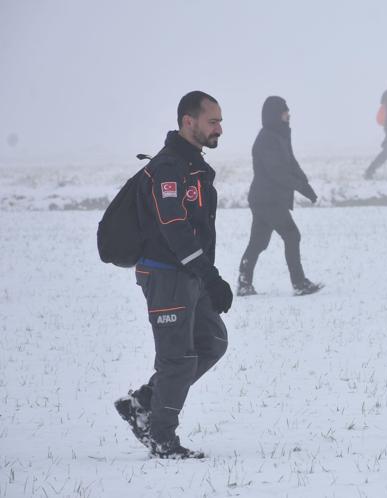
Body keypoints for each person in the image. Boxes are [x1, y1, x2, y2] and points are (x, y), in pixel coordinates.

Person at [114, 91, 233, 459]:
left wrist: (205, 276)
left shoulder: (193, 165)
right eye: (213, 121)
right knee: (177, 359)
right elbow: (174, 226)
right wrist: (210, 275)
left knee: (211, 342)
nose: (220, 128)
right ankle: (162, 438)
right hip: (166, 275)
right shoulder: (168, 168)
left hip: (190, 275)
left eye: (220, 121)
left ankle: (145, 401)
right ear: (188, 121)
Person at [237, 96, 323, 297]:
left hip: (267, 198)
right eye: (285, 111)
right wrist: (302, 188)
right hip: (267, 199)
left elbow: (291, 164)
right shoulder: (267, 138)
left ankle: (244, 283)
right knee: (292, 235)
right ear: (275, 114)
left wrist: (306, 186)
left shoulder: (280, 136)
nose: (288, 114)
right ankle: (299, 283)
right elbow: (278, 172)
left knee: (258, 243)